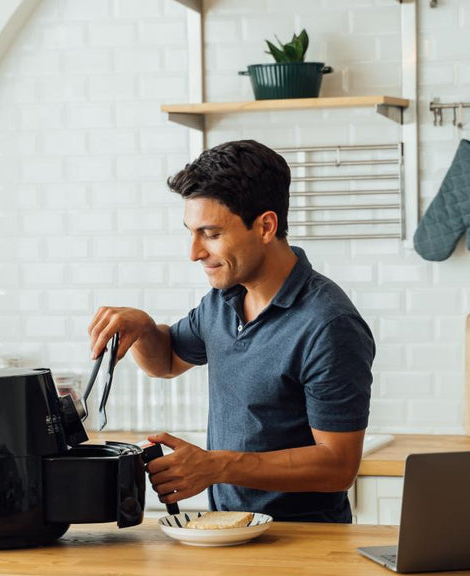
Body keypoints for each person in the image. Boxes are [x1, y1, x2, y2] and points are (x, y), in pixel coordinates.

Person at [87, 139, 374, 523]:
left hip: (302, 539)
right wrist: (143, 328)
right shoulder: (222, 300)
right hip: (229, 530)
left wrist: (217, 466)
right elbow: (166, 361)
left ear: (266, 226)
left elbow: (338, 466)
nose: (194, 252)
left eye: (211, 233)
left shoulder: (328, 325)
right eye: (191, 232)